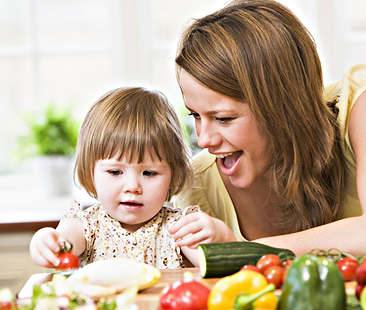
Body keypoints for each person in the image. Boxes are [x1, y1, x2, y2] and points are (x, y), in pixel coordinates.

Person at [171, 0, 366, 256]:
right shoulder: (199, 187)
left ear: (283, 107)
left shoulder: (356, 107)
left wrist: (243, 252)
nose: (204, 140)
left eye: (223, 118)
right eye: (195, 115)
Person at [29, 87, 235, 269]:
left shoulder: (177, 228)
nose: (133, 187)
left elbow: (216, 264)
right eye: (115, 172)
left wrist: (222, 236)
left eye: (149, 173)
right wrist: (45, 241)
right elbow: (63, 243)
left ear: (172, 176)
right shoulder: (87, 226)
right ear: (90, 171)